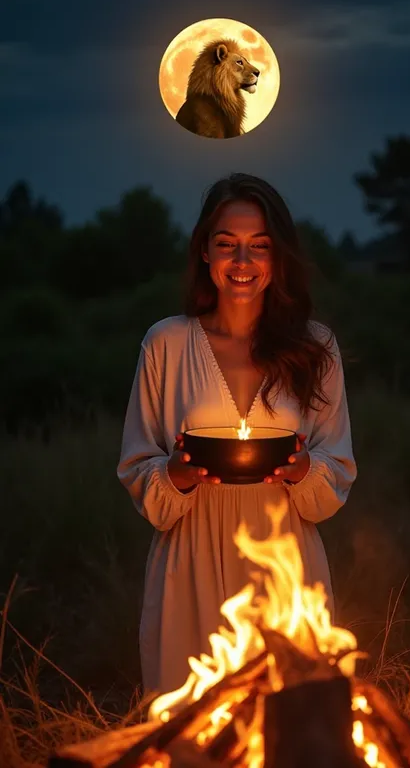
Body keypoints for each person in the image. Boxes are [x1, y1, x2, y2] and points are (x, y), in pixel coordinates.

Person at [117, 172, 357, 696]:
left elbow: (336, 472)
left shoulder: (317, 348)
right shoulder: (167, 344)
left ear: (278, 257)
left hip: (287, 564)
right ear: (205, 251)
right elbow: (138, 467)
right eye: (227, 245)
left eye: (259, 247)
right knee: (192, 727)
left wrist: (302, 470)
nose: (242, 263)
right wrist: (175, 476)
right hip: (192, 561)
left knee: (289, 728)